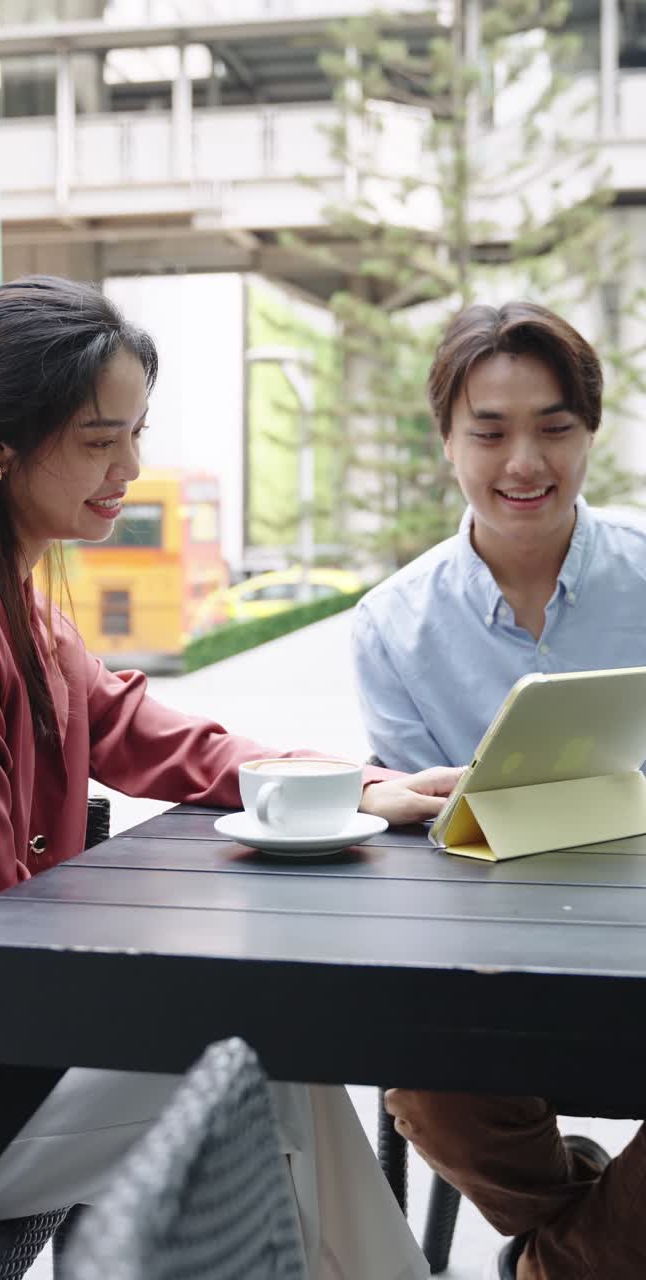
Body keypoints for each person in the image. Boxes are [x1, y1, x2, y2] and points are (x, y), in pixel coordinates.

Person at [0, 275, 462, 1280]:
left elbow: (152, 732)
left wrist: (360, 785)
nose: (131, 464)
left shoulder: (17, 600)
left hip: (9, 1050)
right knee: (258, 1045)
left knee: (270, 1047)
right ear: (1, 442)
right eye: (97, 439)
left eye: (135, 430)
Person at [353, 300, 646, 1278]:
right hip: (488, 961)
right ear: (447, 440)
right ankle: (585, 1237)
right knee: (428, 1082)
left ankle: (549, 1257)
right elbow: (423, 852)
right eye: (490, 430)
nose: (525, 461)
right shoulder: (393, 625)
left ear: (591, 431)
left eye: (555, 427)